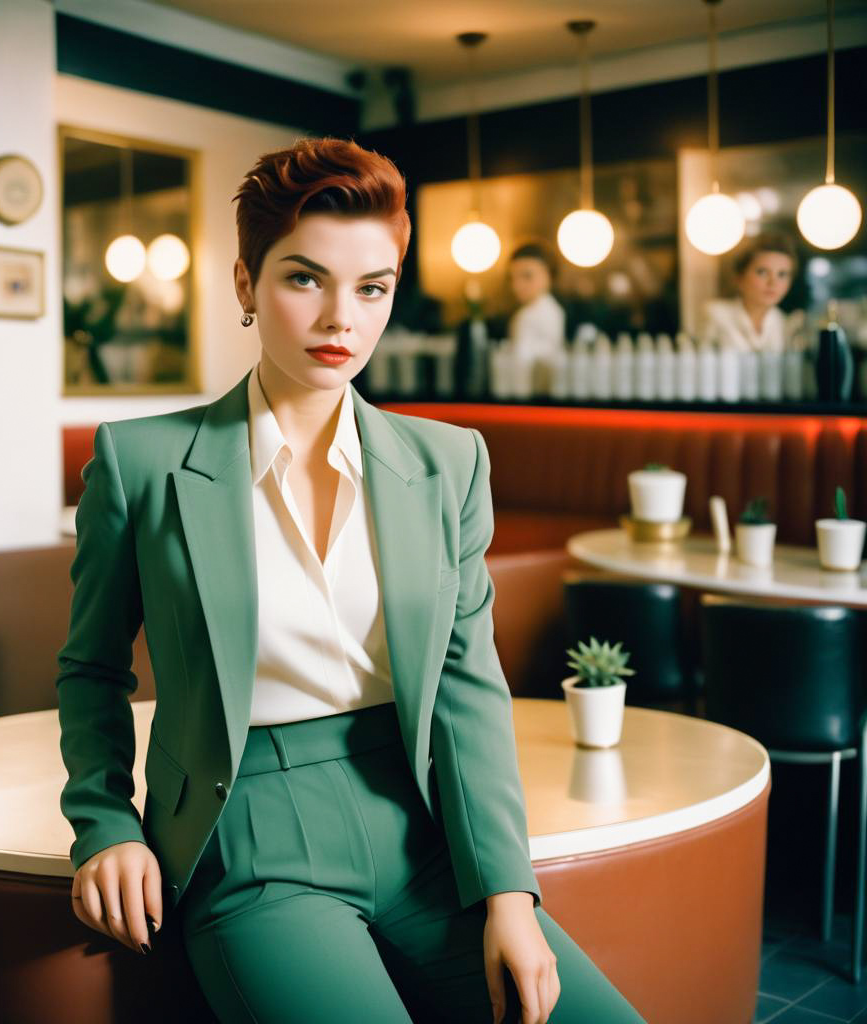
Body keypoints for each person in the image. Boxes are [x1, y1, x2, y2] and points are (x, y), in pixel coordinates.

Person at [56, 136, 646, 1024]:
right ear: (247, 285)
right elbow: (91, 668)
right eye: (305, 279)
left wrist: (510, 896)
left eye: (372, 287)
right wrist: (103, 823)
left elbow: (466, 686)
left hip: (425, 831)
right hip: (248, 833)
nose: (343, 318)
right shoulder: (141, 463)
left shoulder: (449, 464)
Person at [700, 232, 797, 353]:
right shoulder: (716, 315)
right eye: (762, 272)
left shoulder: (781, 322)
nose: (773, 283)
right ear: (739, 277)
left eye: (782, 274)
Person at [505, 241, 566, 395]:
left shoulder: (545, 313)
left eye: (527, 276)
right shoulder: (526, 314)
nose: (516, 286)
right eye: (513, 278)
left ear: (549, 275)